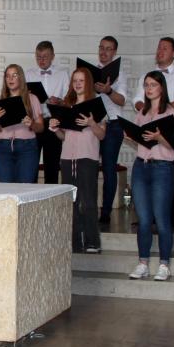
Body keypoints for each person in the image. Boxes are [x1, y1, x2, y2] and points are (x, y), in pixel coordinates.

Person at [126, 71, 174, 282]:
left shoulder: (170, 112)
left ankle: (165, 263)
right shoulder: (143, 112)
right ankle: (143, 262)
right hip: (142, 167)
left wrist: (159, 137)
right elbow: (140, 141)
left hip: (162, 168)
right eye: (146, 85)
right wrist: (129, 136)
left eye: (153, 85)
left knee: (162, 218)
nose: (149, 89)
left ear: (162, 88)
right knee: (144, 219)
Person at [134, 37, 174, 230]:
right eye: (158, 48)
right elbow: (137, 100)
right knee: (145, 172)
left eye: (164, 48)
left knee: (173, 175)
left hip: (169, 129)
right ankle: (147, 215)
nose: (160, 51)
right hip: (147, 126)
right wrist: (147, 111)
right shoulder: (146, 76)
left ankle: (172, 217)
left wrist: (162, 110)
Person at [49, 68, 106, 253]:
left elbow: (102, 135)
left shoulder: (96, 105)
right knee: (70, 202)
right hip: (67, 158)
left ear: (88, 83)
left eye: (81, 80)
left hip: (87, 157)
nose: (78, 83)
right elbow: (63, 137)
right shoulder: (67, 105)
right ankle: (74, 242)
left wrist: (91, 123)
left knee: (88, 201)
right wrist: (55, 128)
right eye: (75, 80)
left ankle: (92, 241)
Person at [0, 64, 45, 183]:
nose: (11, 79)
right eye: (7, 76)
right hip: (3, 147)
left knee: (25, 188)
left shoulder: (32, 98)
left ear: (21, 78)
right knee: (5, 189)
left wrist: (32, 124)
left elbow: (41, 127)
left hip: (27, 147)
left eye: (14, 75)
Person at [94, 36, 129, 226]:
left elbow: (122, 101)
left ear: (115, 52)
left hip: (113, 124)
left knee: (108, 168)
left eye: (108, 49)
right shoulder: (91, 71)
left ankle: (106, 212)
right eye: (101, 48)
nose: (103, 52)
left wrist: (108, 91)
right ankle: (88, 207)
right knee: (89, 167)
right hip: (92, 124)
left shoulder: (120, 74)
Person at [26, 41, 70, 184]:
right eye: (38, 57)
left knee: (52, 166)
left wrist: (58, 101)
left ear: (53, 56)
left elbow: (70, 101)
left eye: (45, 56)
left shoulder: (63, 74)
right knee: (31, 165)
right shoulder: (29, 74)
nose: (41, 60)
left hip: (53, 124)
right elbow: (22, 99)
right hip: (35, 122)